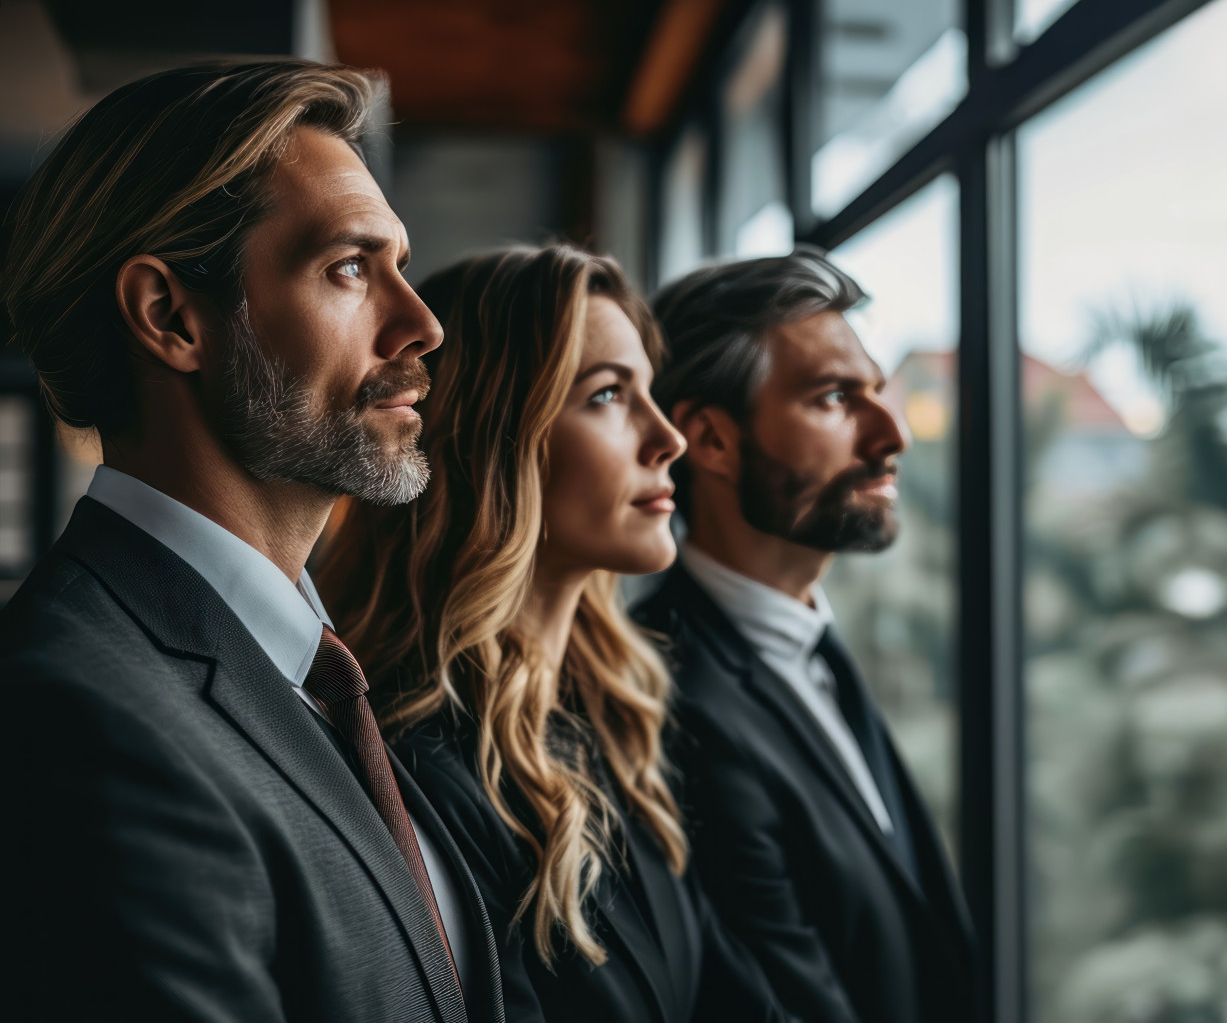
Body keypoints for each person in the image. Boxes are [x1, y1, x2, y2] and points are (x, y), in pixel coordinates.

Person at [0, 61, 502, 1022]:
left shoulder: (309, 668)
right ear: (170, 317)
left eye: (399, 263)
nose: (422, 324)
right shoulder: (76, 714)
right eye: (349, 268)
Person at [319, 243, 788, 1023]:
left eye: (650, 391)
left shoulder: (611, 709)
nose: (668, 437)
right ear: (494, 439)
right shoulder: (408, 758)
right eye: (608, 396)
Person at [631, 249, 981, 1023]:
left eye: (878, 395)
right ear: (711, 440)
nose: (892, 436)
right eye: (834, 399)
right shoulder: (658, 695)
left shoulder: (815, 647)